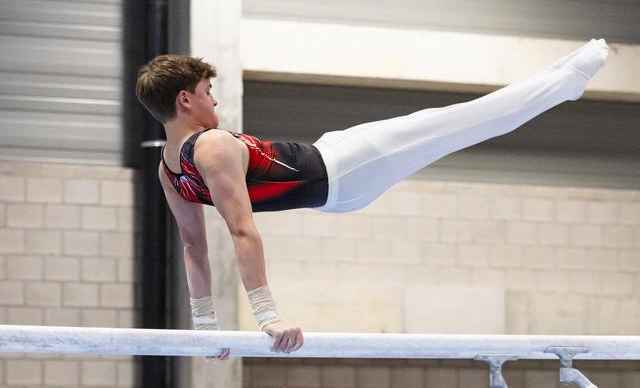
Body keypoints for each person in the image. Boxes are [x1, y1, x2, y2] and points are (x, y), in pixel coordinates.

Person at [135, 38, 608, 359]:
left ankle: (563, 77)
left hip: (334, 156)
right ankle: (566, 82)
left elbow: (194, 248)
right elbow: (240, 231)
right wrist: (267, 317)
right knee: (465, 121)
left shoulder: (168, 169)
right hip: (347, 171)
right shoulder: (211, 146)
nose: (214, 102)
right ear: (184, 100)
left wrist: (206, 329)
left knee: (458, 120)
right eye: (207, 92)